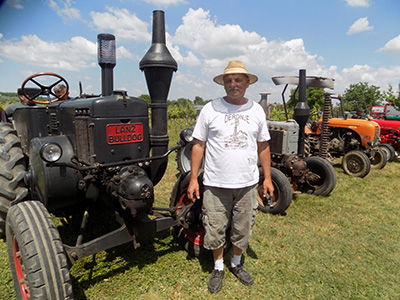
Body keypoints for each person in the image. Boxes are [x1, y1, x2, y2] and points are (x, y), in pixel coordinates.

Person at [187, 60, 274, 294]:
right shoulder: (210, 109)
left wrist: (267, 178)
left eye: (238, 80)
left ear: (247, 83)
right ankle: (218, 267)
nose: (233, 84)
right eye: (228, 80)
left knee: (243, 226)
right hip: (216, 183)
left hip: (247, 183)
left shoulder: (256, 110)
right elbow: (198, 145)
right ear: (223, 84)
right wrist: (194, 178)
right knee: (214, 226)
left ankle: (235, 263)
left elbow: (263, 145)